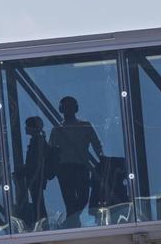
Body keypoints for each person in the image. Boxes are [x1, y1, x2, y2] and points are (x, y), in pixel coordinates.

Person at [50, 96, 103, 227]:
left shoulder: (84, 126)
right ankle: (72, 222)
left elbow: (97, 146)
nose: (68, 110)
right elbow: (51, 151)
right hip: (66, 168)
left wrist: (102, 160)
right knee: (70, 201)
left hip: (79, 167)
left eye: (70, 107)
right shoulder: (57, 129)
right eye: (66, 107)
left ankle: (71, 222)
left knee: (82, 198)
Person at [16, 116, 55, 227]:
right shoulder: (38, 140)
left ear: (32, 127)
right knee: (38, 202)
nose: (25, 128)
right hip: (35, 177)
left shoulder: (38, 142)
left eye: (27, 125)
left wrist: (27, 172)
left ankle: (42, 224)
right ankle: (41, 224)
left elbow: (36, 163)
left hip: (35, 178)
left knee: (38, 203)